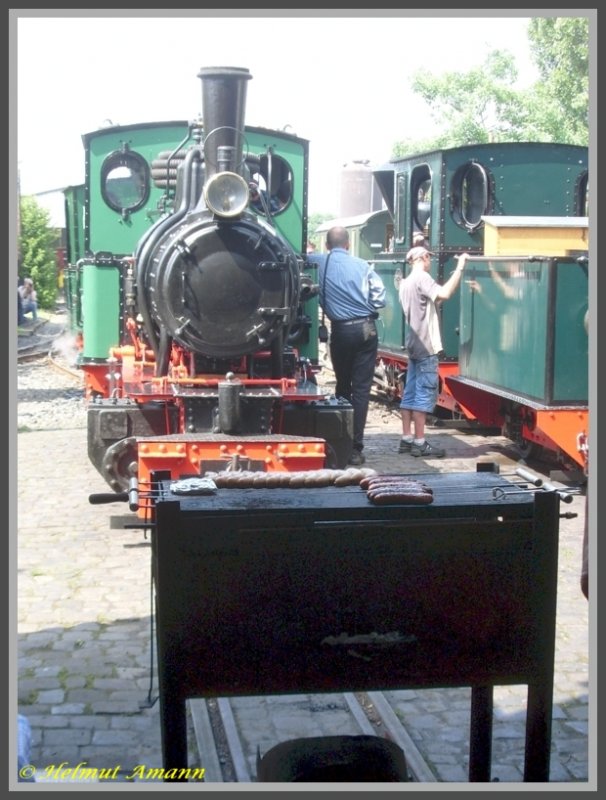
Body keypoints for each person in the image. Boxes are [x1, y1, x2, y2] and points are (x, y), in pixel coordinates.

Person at [309, 226, 386, 466]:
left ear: (327, 246)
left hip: (341, 330)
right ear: (349, 244)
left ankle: (342, 443)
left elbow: (298, 257)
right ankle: (356, 448)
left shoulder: (320, 262)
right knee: (362, 390)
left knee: (343, 386)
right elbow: (380, 298)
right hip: (366, 328)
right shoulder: (363, 265)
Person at [398, 246, 468, 458]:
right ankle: (420, 442)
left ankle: (406, 439)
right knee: (423, 394)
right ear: (422, 258)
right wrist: (460, 268)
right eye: (429, 257)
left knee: (409, 393)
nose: (430, 261)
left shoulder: (405, 283)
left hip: (412, 344)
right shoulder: (422, 278)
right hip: (426, 345)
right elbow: (444, 294)